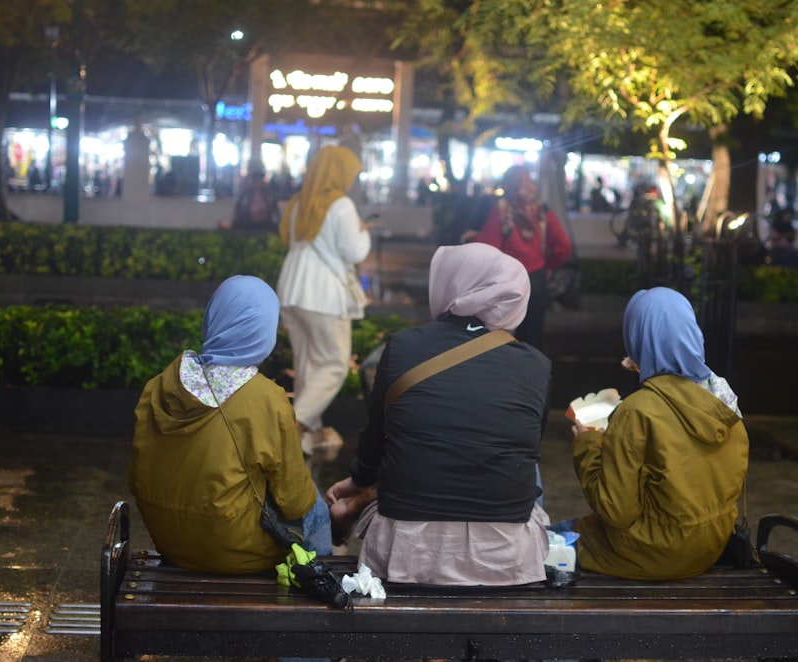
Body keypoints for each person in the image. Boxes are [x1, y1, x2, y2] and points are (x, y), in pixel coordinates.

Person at [326, 242, 552, 586]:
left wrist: (357, 481)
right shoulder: (537, 364)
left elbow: (375, 440)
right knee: (525, 461)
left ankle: (361, 502)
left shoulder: (403, 346)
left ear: (449, 282)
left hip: (408, 548)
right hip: (505, 556)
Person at [129, 275, 331, 574]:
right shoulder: (266, 398)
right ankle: (318, 594)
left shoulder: (159, 386)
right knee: (315, 509)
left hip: (170, 541)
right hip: (237, 550)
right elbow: (294, 501)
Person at [560, 287, 749, 580]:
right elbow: (680, 401)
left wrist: (587, 444)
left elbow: (616, 511)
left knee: (547, 537)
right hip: (709, 548)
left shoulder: (637, 411)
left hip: (651, 554)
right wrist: (646, 365)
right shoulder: (721, 396)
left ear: (636, 340)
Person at [277, 145, 373, 457]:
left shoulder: (297, 202)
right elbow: (354, 252)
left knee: (307, 363)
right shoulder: (341, 205)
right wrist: (364, 233)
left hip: (292, 288)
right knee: (332, 364)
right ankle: (291, 425)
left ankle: (310, 434)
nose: (350, 182)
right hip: (322, 293)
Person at [472, 165, 572, 352]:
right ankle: (531, 377)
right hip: (536, 280)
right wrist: (549, 265)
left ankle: (504, 375)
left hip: (507, 281)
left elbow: (488, 249)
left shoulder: (501, 211)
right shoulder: (542, 211)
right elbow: (563, 246)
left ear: (509, 185)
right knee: (532, 337)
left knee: (500, 335)